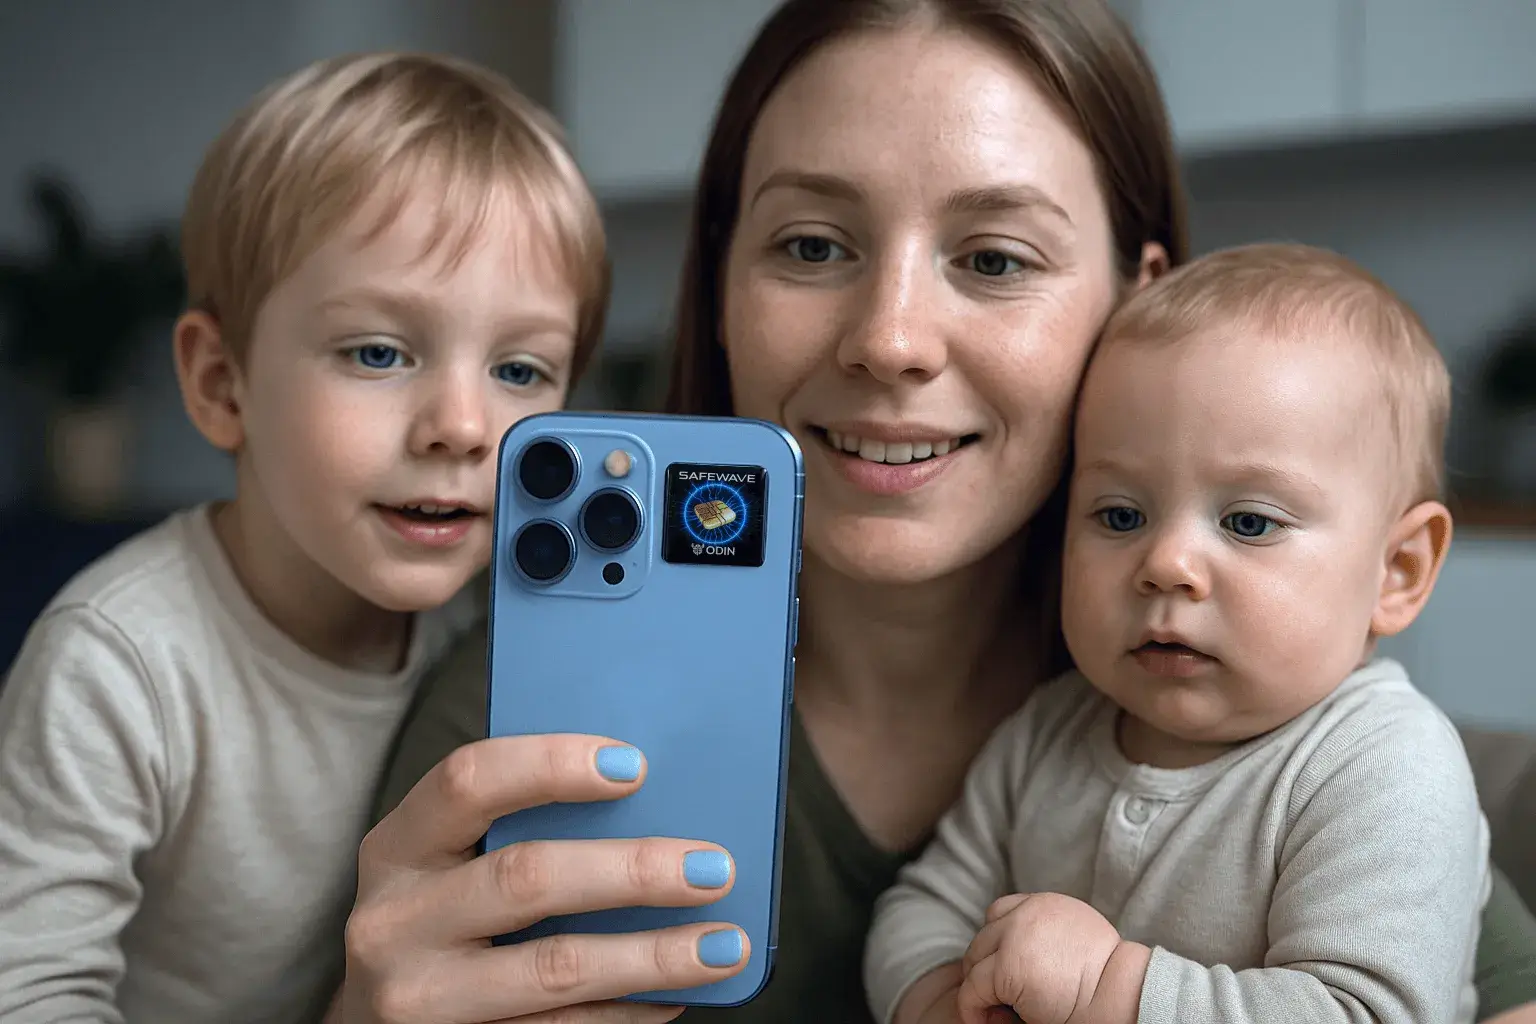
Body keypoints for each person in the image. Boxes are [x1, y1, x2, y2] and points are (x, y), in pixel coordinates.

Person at [337, 2, 1536, 1022]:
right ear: (719, 288)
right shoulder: (508, 725)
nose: (890, 339)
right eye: (811, 245)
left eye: (998, 259)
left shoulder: (1258, 715)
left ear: (1140, 300)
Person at [0, 52, 606, 1024]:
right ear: (221, 384)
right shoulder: (115, 666)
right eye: (378, 351)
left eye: (522, 371)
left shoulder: (494, 629)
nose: (463, 424)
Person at [866, 242, 1487, 1024]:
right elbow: (925, 905)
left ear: (1396, 570)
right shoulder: (1046, 734)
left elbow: (1363, 1013)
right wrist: (934, 996)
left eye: (1249, 522)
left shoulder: (1383, 766)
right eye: (1120, 515)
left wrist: (1108, 993)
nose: (1166, 565)